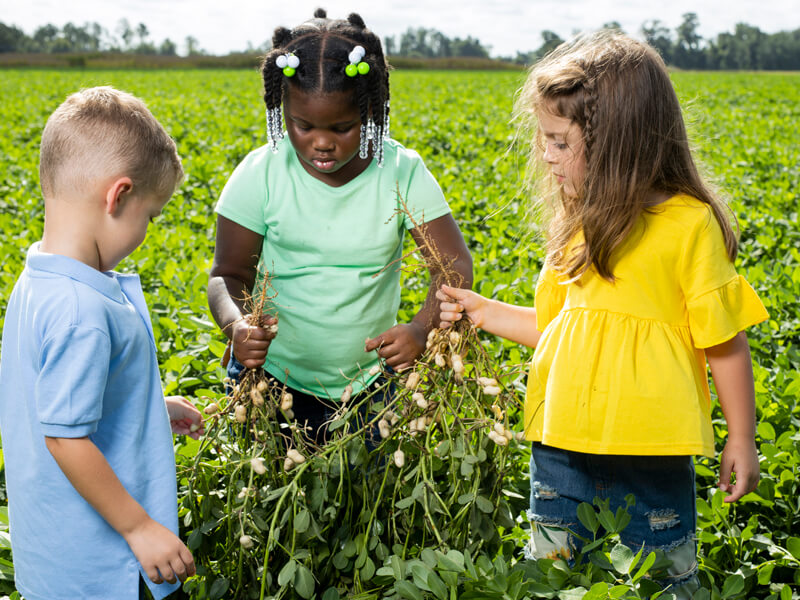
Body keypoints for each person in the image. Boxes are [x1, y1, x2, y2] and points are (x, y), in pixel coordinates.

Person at [437, 31, 767, 596]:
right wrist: (483, 311)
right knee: (554, 578)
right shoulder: (577, 226)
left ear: (616, 142)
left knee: (658, 581)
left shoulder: (688, 225)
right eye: (545, 140)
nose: (546, 155)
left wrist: (743, 436)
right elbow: (557, 331)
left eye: (560, 142)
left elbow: (723, 342)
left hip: (652, 455)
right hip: (561, 450)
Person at [208, 9, 472, 443]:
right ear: (282, 111)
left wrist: (422, 328)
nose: (322, 142)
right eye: (302, 125)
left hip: (370, 386)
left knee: (366, 500)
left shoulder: (401, 172)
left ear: (371, 110)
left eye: (343, 127)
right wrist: (237, 327)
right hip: (269, 379)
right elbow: (228, 273)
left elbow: (454, 264)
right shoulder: (261, 173)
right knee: (273, 495)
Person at [0, 86, 204, 600]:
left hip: (55, 556)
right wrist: (140, 528)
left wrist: (148, 410)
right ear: (118, 196)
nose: (145, 233)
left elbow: (55, 400)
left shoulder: (37, 280)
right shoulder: (81, 313)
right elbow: (66, 437)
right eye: (149, 217)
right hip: (106, 567)